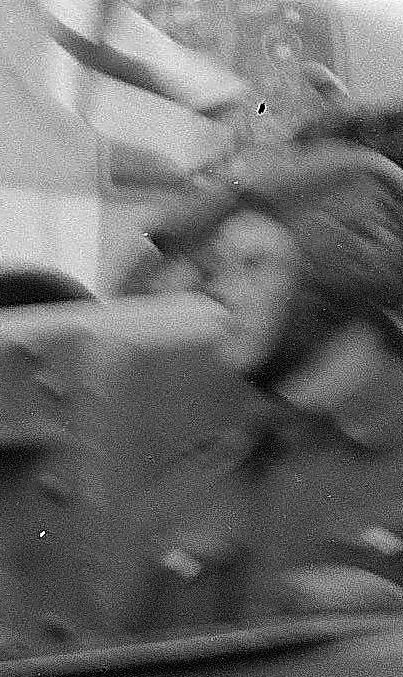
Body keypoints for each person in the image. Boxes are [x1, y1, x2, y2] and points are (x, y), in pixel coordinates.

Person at [139, 145, 403, 631]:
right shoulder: (223, 468)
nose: (221, 292)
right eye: (221, 270)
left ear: (347, 276)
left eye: (254, 266)